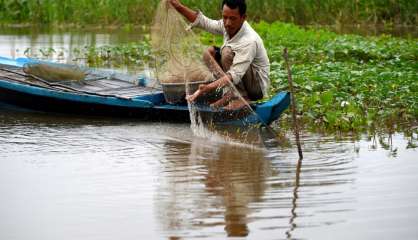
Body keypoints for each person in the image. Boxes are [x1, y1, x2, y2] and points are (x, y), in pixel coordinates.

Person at [169, 0, 270, 109]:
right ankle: (230, 94)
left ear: (243, 17)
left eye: (232, 18)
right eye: (225, 17)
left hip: (256, 87)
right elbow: (203, 22)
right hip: (238, 76)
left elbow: (235, 74)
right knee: (209, 53)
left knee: (226, 52)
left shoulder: (249, 40)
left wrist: (209, 87)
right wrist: (179, 7)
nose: (227, 23)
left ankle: (242, 97)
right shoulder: (226, 24)